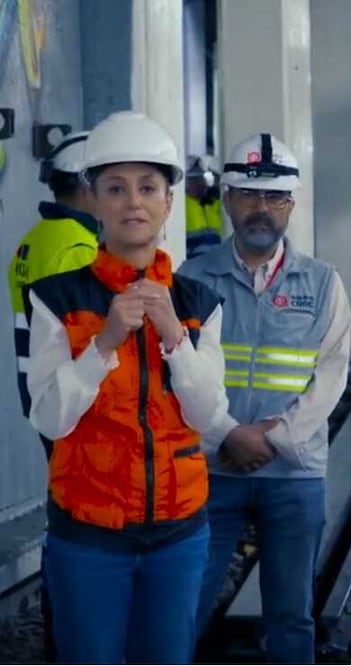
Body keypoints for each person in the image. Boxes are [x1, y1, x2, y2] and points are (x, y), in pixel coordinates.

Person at [24, 110, 230, 664]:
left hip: (179, 536)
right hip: (88, 536)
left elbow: (208, 414)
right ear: (94, 200)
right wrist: (105, 341)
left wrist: (173, 339)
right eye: (115, 188)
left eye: (147, 187)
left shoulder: (198, 305)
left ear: (167, 203)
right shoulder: (55, 299)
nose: (132, 202)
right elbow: (49, 419)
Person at [184, 132, 351, 664]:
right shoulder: (191, 278)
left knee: (290, 615)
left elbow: (331, 375)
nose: (262, 209)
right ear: (229, 198)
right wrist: (227, 434)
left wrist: (272, 438)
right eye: (250, 196)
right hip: (212, 468)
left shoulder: (322, 283)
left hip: (294, 473)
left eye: (276, 198)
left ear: (292, 206)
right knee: (184, 603)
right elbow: (178, 372)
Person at [9, 131, 99, 433]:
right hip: (76, 404)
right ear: (88, 185)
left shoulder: (33, 240)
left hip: (43, 392)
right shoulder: (80, 248)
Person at [185, 154, 224, 258]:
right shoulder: (182, 206)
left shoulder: (214, 202)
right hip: (193, 264)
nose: (197, 184)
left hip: (218, 262)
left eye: (199, 179)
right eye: (192, 180)